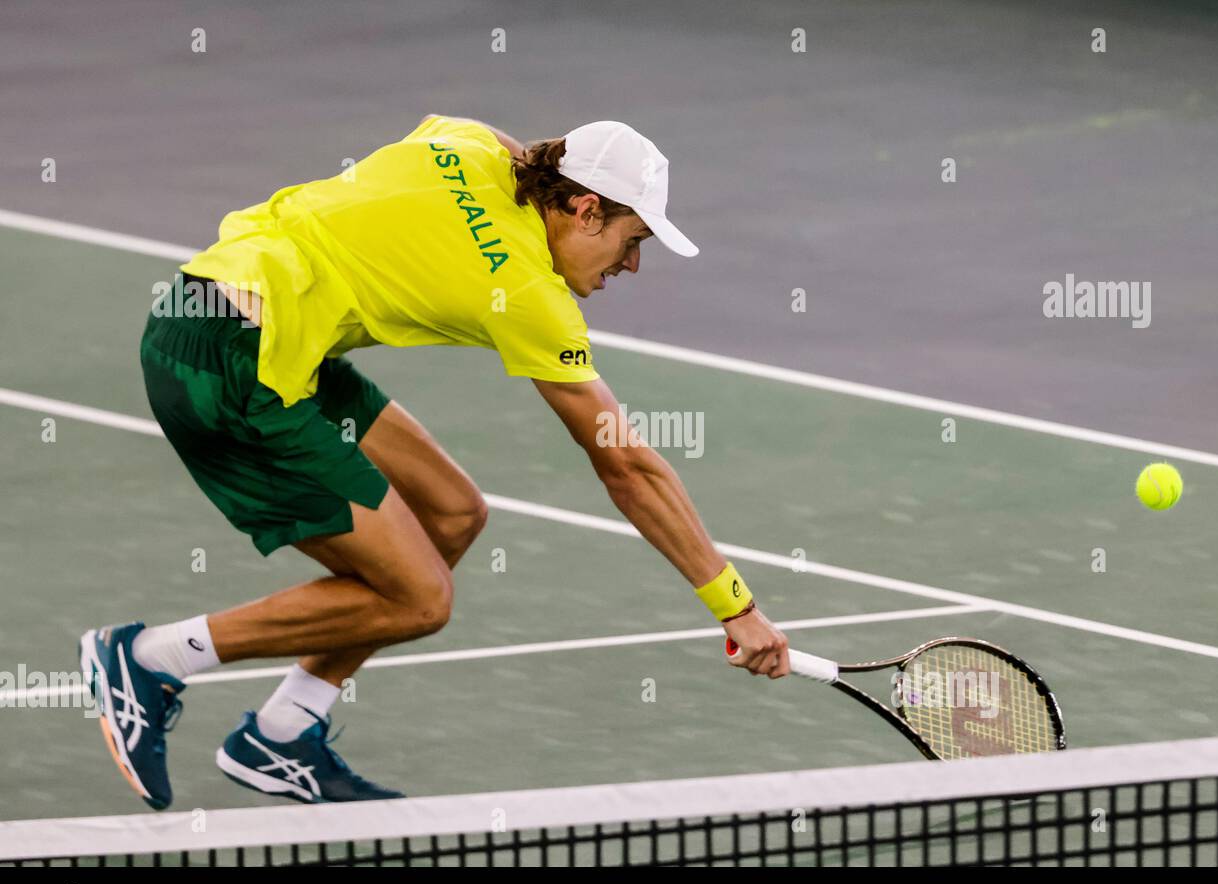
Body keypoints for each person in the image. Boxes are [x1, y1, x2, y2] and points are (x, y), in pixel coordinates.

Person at [80, 116, 790, 810]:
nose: (631, 264)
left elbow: (506, 150)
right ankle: (150, 659)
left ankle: (282, 730)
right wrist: (739, 609)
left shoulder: (471, 142)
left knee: (453, 511)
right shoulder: (532, 298)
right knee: (420, 598)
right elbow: (627, 467)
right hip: (227, 367)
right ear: (584, 208)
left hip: (241, 316)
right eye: (632, 240)